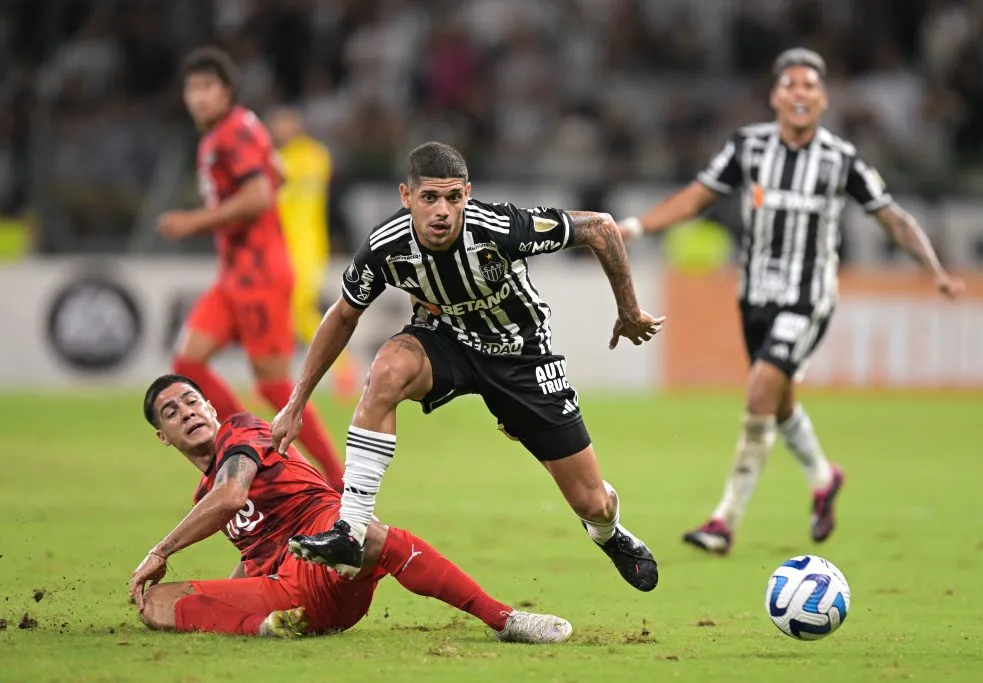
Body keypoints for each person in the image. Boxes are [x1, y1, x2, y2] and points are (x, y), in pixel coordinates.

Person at [271, 141, 664, 592]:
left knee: (591, 501)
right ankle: (351, 529)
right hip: (446, 341)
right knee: (386, 370)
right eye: (430, 198)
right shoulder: (387, 246)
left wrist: (629, 311)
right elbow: (343, 314)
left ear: (468, 194)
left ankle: (609, 534)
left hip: (520, 356)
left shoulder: (501, 227)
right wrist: (296, 402)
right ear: (406, 196)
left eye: (454, 197)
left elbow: (601, 227)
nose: (442, 210)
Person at [616, 48, 965, 554]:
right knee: (779, 403)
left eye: (810, 86)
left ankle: (723, 522)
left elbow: (892, 217)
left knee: (760, 390)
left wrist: (934, 271)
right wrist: (638, 227)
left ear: (823, 99)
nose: (800, 93)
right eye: (790, 85)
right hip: (754, 295)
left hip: (809, 298)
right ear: (776, 96)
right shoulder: (749, 147)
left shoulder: (840, 159)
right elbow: (698, 195)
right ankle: (824, 479)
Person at [129, 374, 572, 643]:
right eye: (171, 412)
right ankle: (268, 628)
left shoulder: (242, 432)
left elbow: (230, 498)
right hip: (289, 594)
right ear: (163, 435)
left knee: (364, 534)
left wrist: (161, 551)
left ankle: (504, 619)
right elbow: (254, 559)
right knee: (156, 603)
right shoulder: (202, 496)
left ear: (210, 407)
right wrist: (223, 599)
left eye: (191, 401)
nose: (186, 412)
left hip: (324, 542)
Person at [157, 46, 344, 490]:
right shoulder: (239, 127)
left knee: (274, 385)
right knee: (188, 363)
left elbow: (260, 195)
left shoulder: (230, 133)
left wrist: (193, 222)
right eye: (192, 88)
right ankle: (240, 443)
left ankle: (338, 485)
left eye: (208, 87)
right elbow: (275, 174)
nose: (199, 97)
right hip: (235, 275)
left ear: (227, 92)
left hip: (260, 275)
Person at [266, 107, 359, 396]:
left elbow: (276, 180)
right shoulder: (312, 156)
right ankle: (273, 377)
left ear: (297, 124)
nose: (278, 128)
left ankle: (344, 367)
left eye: (282, 122)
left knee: (296, 310)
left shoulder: (303, 157)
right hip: (284, 248)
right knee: (284, 312)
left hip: (307, 248)